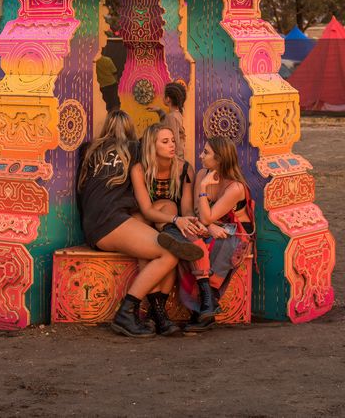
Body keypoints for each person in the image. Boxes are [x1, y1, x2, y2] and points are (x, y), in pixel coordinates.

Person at [77, 110, 199, 338]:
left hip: (94, 223)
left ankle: (158, 315)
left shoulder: (88, 150)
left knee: (153, 242)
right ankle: (126, 313)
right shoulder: (134, 150)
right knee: (169, 253)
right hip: (110, 221)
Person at [130, 123, 204, 335]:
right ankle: (159, 314)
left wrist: (189, 220)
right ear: (152, 147)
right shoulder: (139, 169)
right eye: (165, 142)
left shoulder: (183, 168)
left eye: (172, 140)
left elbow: (187, 207)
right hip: (146, 218)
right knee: (146, 249)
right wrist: (176, 219)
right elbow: (145, 210)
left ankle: (157, 315)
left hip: (168, 221)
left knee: (170, 246)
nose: (172, 145)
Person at [179, 135, 255, 333]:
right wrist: (210, 226)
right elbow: (199, 211)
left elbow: (207, 216)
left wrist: (204, 189)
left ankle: (206, 304)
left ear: (220, 159)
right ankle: (206, 306)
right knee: (189, 243)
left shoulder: (235, 187)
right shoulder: (203, 173)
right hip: (212, 226)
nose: (200, 155)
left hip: (236, 233)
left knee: (220, 244)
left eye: (206, 152)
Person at [149, 81, 187, 158]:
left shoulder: (171, 117)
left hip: (175, 159)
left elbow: (175, 140)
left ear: (168, 99)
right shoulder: (177, 114)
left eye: (164, 95)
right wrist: (160, 111)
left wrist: (176, 161)